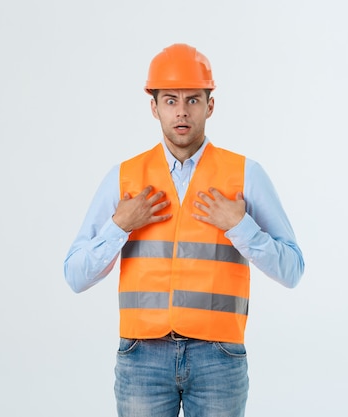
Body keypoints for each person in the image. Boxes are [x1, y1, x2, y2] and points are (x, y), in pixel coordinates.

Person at [63, 43, 304, 417]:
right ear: (154, 107)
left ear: (210, 106)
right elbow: (75, 275)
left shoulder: (246, 175)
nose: (181, 111)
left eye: (193, 100)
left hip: (219, 358)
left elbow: (292, 270)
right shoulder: (124, 178)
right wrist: (119, 226)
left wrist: (241, 226)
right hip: (141, 357)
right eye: (171, 100)